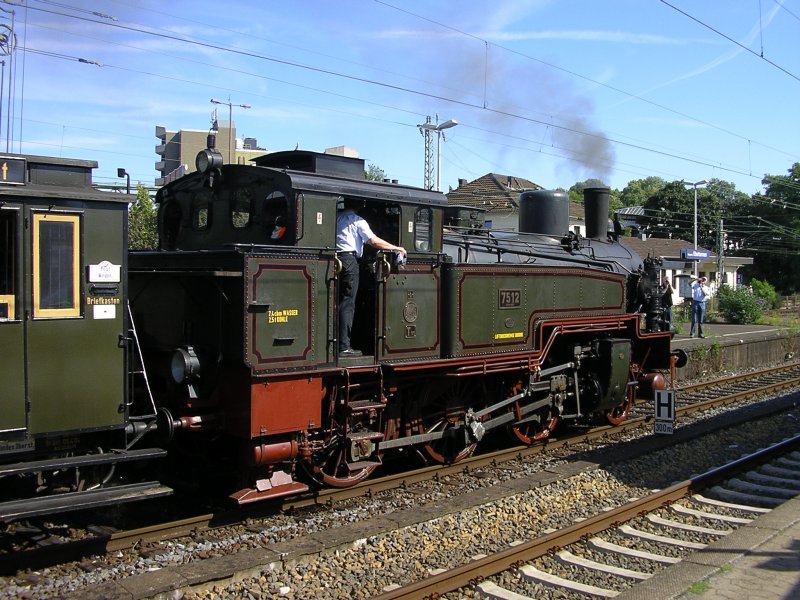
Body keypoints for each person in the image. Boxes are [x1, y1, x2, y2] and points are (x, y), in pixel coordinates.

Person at [336, 203, 406, 357]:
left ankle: (338, 343)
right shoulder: (357, 220)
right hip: (349, 261)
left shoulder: (337, 217)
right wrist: (396, 248)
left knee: (340, 302)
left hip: (335, 261)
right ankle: (344, 347)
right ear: (359, 206)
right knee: (347, 303)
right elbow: (373, 241)